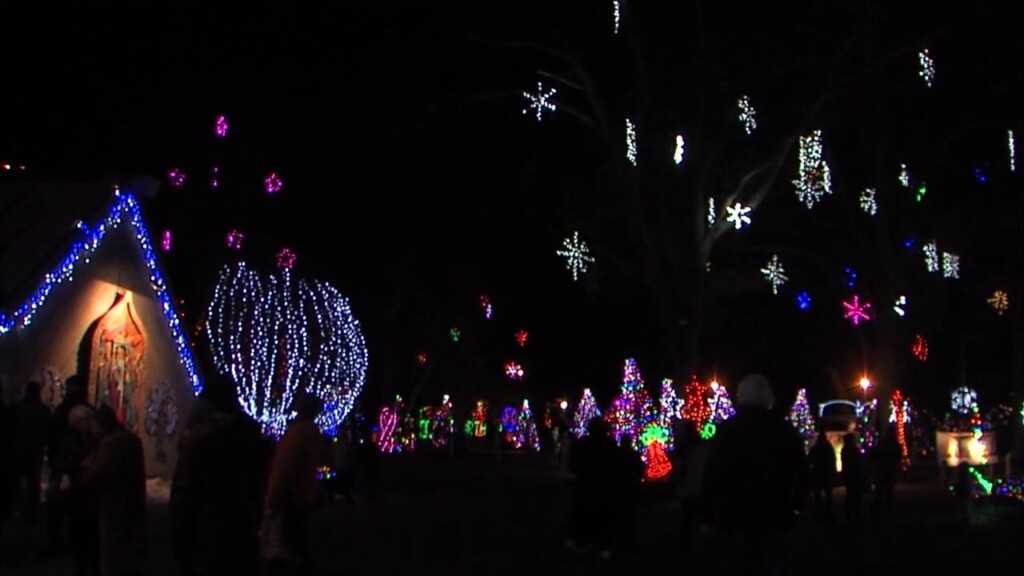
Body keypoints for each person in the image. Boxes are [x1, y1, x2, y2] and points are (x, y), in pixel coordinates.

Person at [703, 374, 808, 575]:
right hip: (775, 512)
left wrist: (708, 514)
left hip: (735, 513)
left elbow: (713, 471)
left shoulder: (728, 430)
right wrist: (798, 504)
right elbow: (799, 468)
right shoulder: (782, 429)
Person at [170, 373, 272, 576]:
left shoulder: (201, 440)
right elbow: (259, 487)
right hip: (242, 536)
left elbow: (185, 497)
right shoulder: (251, 438)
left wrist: (181, 542)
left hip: (207, 537)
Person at [72, 403, 146, 576]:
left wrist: (83, 473)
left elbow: (97, 471)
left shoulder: (112, 444)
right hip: (131, 501)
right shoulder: (131, 439)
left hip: (115, 504)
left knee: (114, 552)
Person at [263, 393, 331, 575]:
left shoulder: (298, 432)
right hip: (304, 494)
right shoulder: (312, 432)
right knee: (298, 543)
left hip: (292, 496)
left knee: (289, 544)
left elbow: (284, 467)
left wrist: (272, 497)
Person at [565, 416, 643, 560]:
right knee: (604, 516)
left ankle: (583, 543)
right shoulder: (610, 446)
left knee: (584, 513)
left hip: (586, 485)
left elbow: (573, 464)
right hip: (605, 486)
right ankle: (603, 545)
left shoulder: (582, 445)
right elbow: (618, 467)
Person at [44, 374, 89, 554]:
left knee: (58, 506)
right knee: (71, 507)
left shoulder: (63, 411)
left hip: (67, 463)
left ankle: (57, 541)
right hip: (73, 464)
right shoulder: (81, 410)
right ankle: (70, 541)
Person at [11, 380, 51, 523]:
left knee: (15, 481)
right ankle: (32, 513)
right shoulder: (44, 411)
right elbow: (48, 433)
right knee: (33, 482)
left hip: (17, 449)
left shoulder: (16, 408)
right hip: (35, 451)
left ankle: (14, 509)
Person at [871, 428, 901, 517]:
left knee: (881, 491)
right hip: (888, 470)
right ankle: (886, 508)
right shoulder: (893, 444)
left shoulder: (884, 443)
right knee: (887, 491)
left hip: (884, 470)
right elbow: (897, 456)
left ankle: (879, 508)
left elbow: (877, 455)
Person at [808, 431, 837, 521]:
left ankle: (819, 512)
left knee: (819, 493)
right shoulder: (828, 447)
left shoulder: (816, 448)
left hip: (819, 472)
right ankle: (827, 512)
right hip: (825, 472)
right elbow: (833, 459)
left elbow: (810, 459)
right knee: (826, 493)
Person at [840, 432, 865, 520]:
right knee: (855, 494)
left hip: (851, 473)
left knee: (851, 494)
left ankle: (851, 512)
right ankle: (855, 512)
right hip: (854, 473)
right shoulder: (853, 450)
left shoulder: (846, 450)